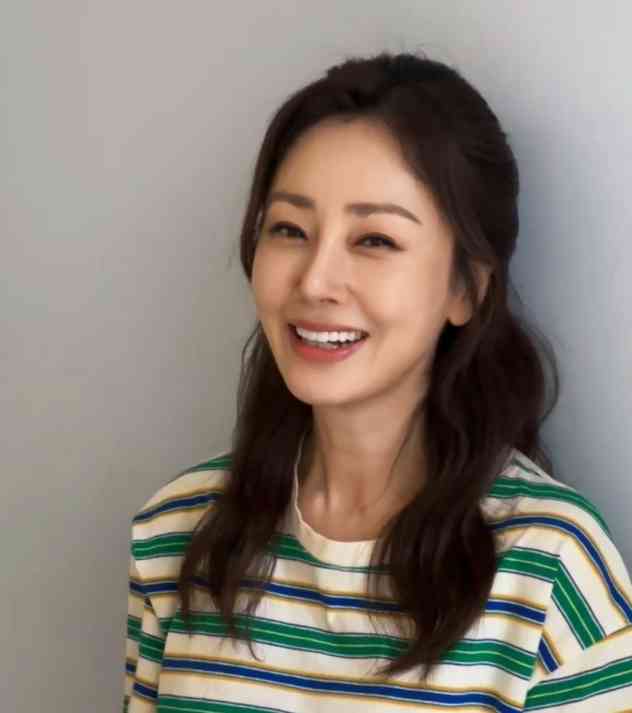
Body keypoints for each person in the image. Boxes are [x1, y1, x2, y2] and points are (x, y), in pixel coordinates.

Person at [123, 51, 632, 712]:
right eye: (289, 229)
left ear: (466, 287)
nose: (315, 281)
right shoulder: (178, 533)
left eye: (375, 240)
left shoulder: (551, 569)